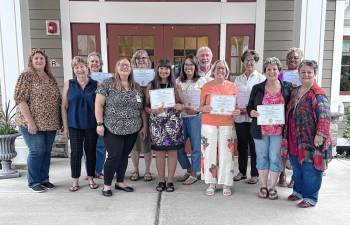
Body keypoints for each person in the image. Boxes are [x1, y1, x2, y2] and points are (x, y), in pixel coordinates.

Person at [96, 58, 147, 197]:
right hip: (112, 127)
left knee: (124, 155)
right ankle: (106, 185)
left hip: (132, 128)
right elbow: (98, 105)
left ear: (131, 69)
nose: (125, 67)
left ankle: (120, 181)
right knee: (114, 156)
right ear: (116, 68)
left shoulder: (136, 86)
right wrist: (99, 123)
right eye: (121, 64)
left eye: (127, 65)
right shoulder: (107, 83)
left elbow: (141, 109)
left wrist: (144, 126)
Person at [283, 60, 331, 208]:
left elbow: (324, 115)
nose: (306, 75)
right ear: (298, 74)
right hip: (293, 136)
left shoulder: (318, 94)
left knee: (310, 169)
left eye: (309, 72)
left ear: (315, 74)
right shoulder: (295, 91)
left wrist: (320, 134)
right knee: (297, 167)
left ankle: (310, 197)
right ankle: (298, 191)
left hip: (310, 139)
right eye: (303, 72)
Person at [14, 48, 62, 193]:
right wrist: (30, 122)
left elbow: (57, 99)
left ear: (45, 61)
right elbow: (20, 99)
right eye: (36, 58)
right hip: (31, 122)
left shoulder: (49, 77)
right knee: (37, 151)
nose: (39, 61)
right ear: (31, 61)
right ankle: (34, 181)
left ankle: (44, 179)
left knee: (46, 152)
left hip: (50, 123)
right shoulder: (27, 75)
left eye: (41, 58)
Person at [247, 57, 292, 200]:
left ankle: (272, 187)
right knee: (262, 157)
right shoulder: (257, 88)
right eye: (268, 69)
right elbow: (249, 107)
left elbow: (291, 108)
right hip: (260, 130)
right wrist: (251, 113)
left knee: (274, 157)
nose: (271, 72)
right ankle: (263, 186)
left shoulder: (287, 87)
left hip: (279, 131)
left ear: (279, 71)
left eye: (274, 69)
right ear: (264, 72)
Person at [200, 60, 240, 196]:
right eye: (218, 68)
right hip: (209, 123)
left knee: (227, 154)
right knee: (209, 153)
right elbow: (200, 107)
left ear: (227, 71)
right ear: (213, 70)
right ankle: (211, 182)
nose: (220, 71)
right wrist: (204, 108)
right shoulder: (206, 86)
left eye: (223, 68)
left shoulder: (232, 86)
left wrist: (237, 111)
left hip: (227, 123)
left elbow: (236, 107)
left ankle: (226, 183)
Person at [145, 59, 184, 192]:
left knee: (173, 152)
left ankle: (170, 180)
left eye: (167, 68)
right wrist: (152, 110)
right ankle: (161, 180)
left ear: (170, 70)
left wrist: (180, 106)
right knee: (160, 153)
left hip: (173, 124)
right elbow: (145, 107)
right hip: (157, 124)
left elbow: (182, 104)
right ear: (157, 70)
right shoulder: (151, 85)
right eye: (161, 68)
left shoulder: (175, 85)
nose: (164, 71)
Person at [61, 56, 99, 192]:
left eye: (82, 66)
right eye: (76, 67)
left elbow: (100, 106)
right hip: (74, 124)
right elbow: (64, 106)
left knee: (91, 152)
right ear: (73, 70)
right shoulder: (69, 84)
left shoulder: (96, 84)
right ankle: (75, 180)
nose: (79, 69)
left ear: (87, 68)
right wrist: (65, 127)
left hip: (91, 125)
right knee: (76, 153)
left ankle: (90, 177)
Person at [233, 49, 265, 184]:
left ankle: (254, 174)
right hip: (240, 117)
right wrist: (236, 107)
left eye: (252, 59)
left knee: (254, 145)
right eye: (246, 60)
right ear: (243, 62)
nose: (249, 62)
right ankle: (241, 171)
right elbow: (233, 97)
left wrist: (250, 109)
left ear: (256, 61)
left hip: (254, 117)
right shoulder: (237, 79)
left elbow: (264, 100)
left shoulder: (261, 79)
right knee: (242, 145)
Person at [176, 55, 207, 185]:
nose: (188, 67)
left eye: (191, 65)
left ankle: (194, 173)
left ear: (195, 67)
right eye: (186, 65)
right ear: (183, 67)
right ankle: (188, 169)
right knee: (178, 147)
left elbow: (206, 101)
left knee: (196, 147)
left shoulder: (202, 81)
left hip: (195, 117)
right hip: (181, 118)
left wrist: (198, 110)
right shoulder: (178, 81)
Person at [278, 47, 304, 187]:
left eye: (295, 58)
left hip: (299, 117)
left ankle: (295, 177)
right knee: (282, 147)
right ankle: (281, 175)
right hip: (282, 115)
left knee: (296, 147)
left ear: (300, 60)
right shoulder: (281, 75)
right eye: (290, 58)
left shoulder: (304, 74)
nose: (292, 60)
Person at [129, 50, 153, 182]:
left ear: (147, 60)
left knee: (146, 143)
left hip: (148, 113)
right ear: (135, 61)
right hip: (133, 114)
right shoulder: (130, 76)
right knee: (135, 144)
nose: (141, 60)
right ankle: (136, 169)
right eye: (138, 58)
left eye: (144, 58)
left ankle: (148, 170)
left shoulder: (152, 76)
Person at [86, 52, 106, 179]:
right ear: (88, 64)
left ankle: (98, 170)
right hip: (87, 116)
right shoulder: (82, 78)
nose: (94, 63)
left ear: (100, 64)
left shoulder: (106, 79)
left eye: (96, 61)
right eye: (92, 61)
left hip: (102, 116)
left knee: (101, 145)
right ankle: (89, 172)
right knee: (88, 146)